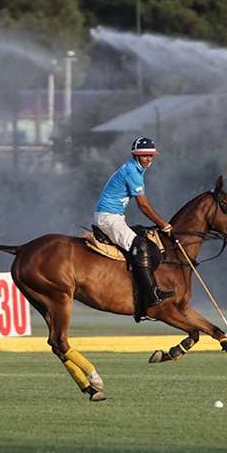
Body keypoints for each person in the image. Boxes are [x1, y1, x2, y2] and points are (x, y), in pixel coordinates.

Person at [94, 136, 173, 319]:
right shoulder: (133, 172)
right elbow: (143, 205)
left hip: (115, 217)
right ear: (136, 156)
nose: (148, 159)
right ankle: (150, 297)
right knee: (141, 246)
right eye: (144, 155)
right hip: (109, 217)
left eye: (151, 156)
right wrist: (164, 224)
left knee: (145, 241)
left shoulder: (137, 169)